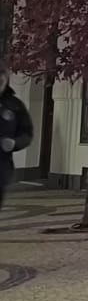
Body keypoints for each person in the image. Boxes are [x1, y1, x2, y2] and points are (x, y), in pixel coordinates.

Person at [0, 67, 34, 212]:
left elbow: (26, 133)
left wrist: (15, 143)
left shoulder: (15, 105)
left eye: (2, 78)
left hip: (2, 166)